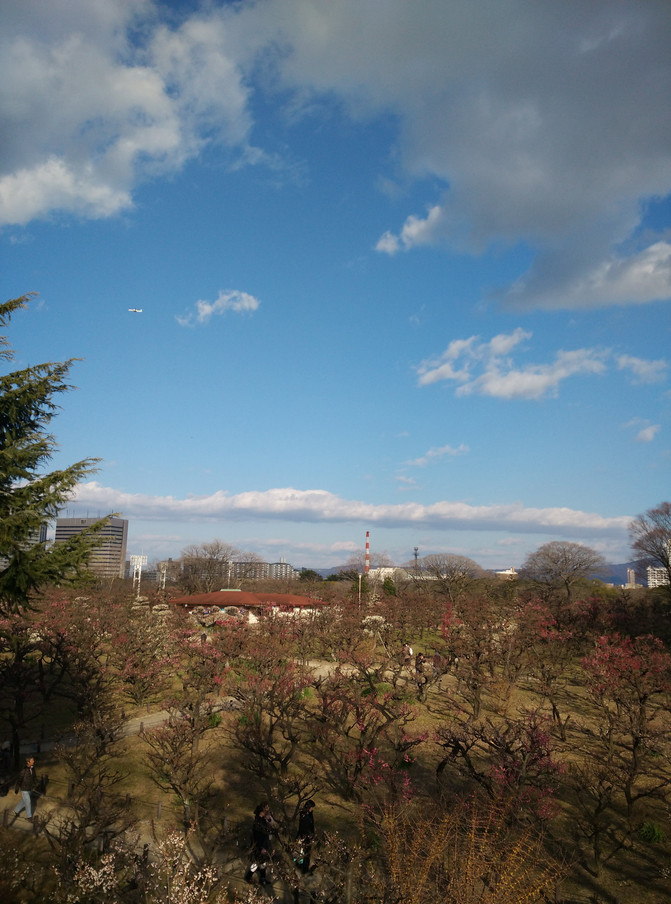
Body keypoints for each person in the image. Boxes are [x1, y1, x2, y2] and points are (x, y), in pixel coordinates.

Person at [246, 800, 274, 885]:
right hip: (259, 844)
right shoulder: (258, 821)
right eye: (265, 808)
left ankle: (262, 878)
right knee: (257, 862)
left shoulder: (263, 819)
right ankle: (249, 876)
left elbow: (270, 825)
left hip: (264, 843)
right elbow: (261, 832)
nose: (267, 810)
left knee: (263, 862)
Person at [14, 756, 37, 821]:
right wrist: (17, 788)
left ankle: (16, 810)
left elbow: (34, 777)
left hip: (29, 788)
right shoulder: (23, 770)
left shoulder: (32, 768)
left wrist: (35, 783)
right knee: (28, 801)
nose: (33, 761)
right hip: (24, 789)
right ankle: (29, 817)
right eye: (32, 760)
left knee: (25, 800)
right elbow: (19, 780)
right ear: (28, 762)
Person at [295, 799, 316, 874]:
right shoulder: (304, 815)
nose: (312, 809)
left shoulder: (309, 814)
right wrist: (309, 834)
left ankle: (304, 867)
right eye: (312, 807)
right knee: (304, 852)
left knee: (306, 852)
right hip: (304, 835)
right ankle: (303, 868)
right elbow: (303, 827)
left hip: (308, 835)